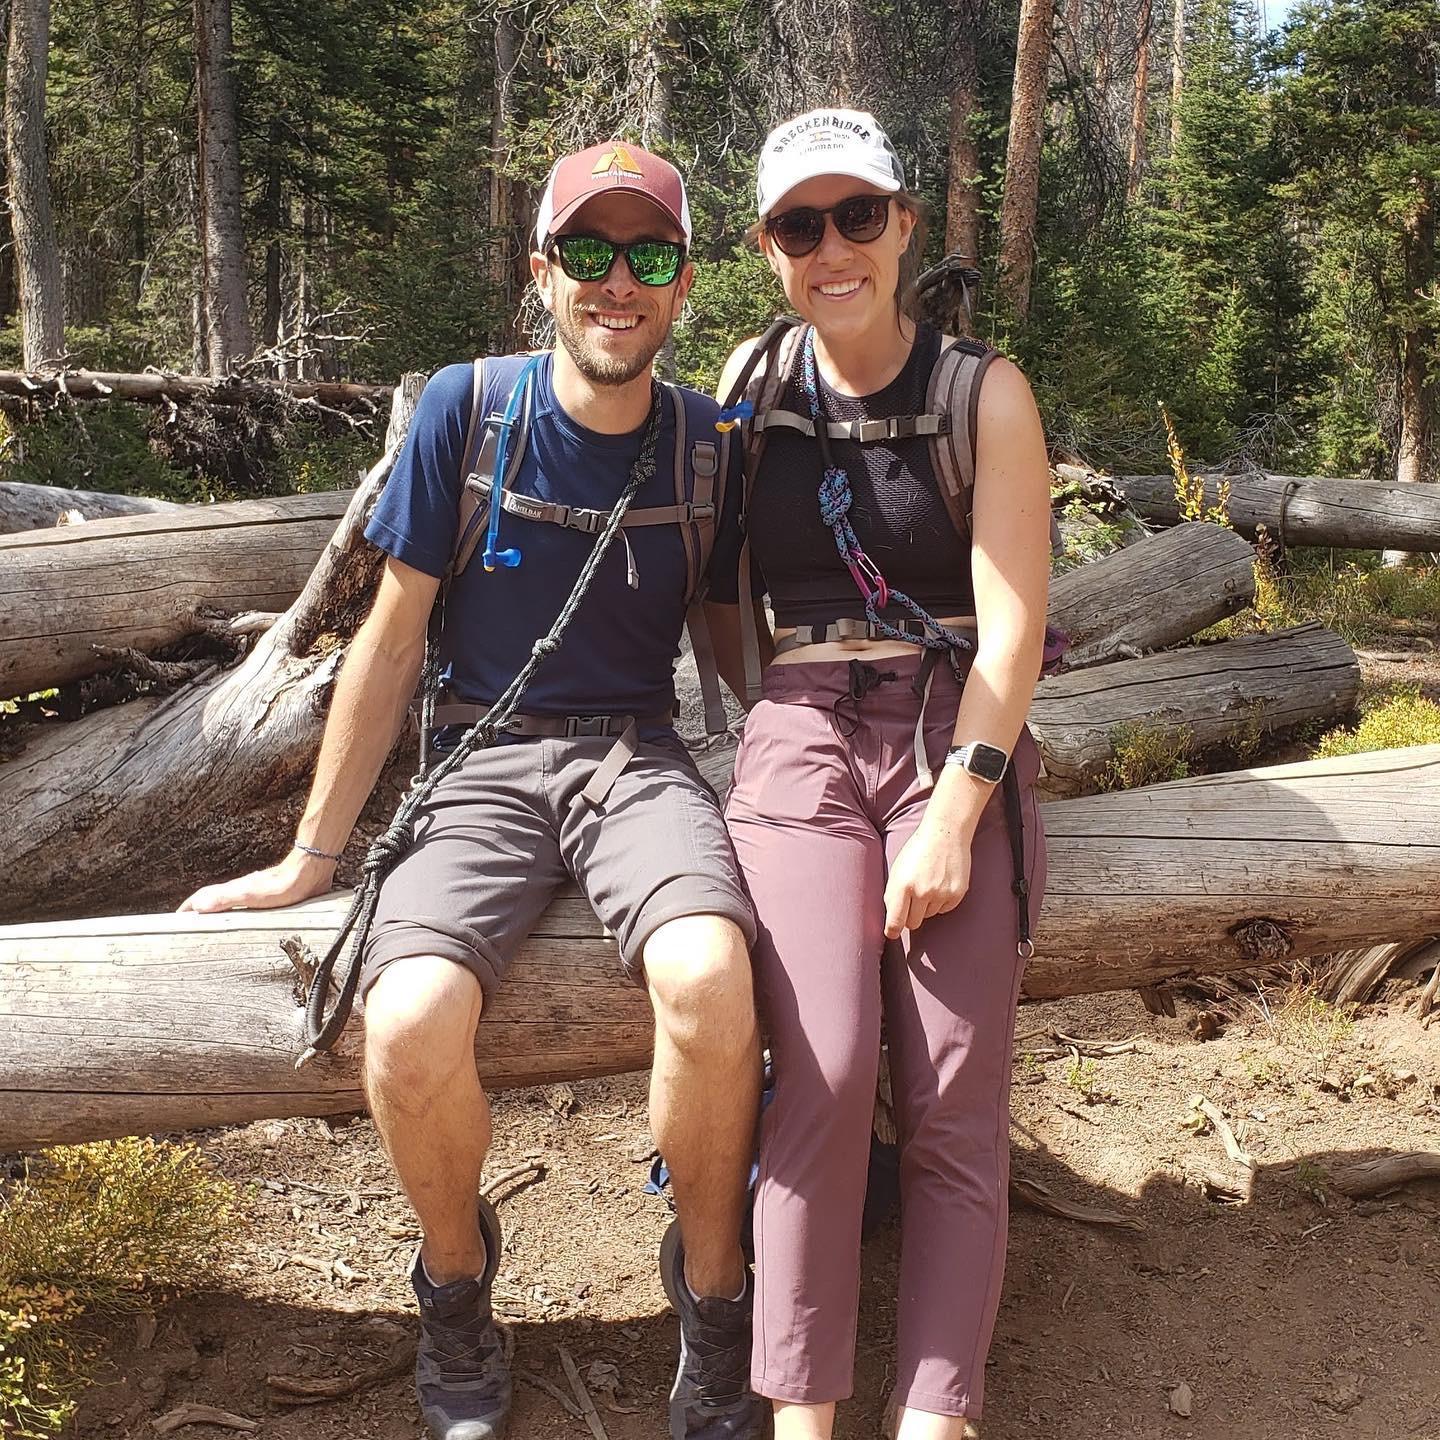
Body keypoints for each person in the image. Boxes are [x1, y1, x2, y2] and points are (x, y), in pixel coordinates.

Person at [180, 140, 767, 1440]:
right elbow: (391, 641)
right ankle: (455, 1279)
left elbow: (731, 640)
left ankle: (715, 1296)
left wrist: (829, 750)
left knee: (714, 984)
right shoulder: (466, 409)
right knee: (406, 1024)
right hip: (480, 763)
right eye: (591, 254)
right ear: (541, 270)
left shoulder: (708, 445)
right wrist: (313, 857)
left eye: (651, 256)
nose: (621, 282)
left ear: (683, 284)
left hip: (636, 756)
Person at [713, 109, 1054, 1440]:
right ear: (770, 248)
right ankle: (803, 1408)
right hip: (800, 723)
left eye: (860, 215)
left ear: (906, 225)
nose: (834, 247)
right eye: (804, 224)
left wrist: (958, 816)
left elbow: (1014, 622)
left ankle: (937, 1413)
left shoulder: (985, 393)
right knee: (829, 1066)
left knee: (957, 1090)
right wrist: (754, 719)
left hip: (950, 733)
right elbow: (715, 590)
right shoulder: (750, 385)